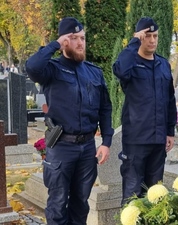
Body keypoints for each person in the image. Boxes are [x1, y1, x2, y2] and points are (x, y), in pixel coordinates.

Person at [25, 17, 114, 225]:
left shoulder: (94, 72)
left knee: (81, 203)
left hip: (87, 148)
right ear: (64, 41)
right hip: (61, 147)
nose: (80, 43)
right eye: (74, 38)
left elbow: (105, 108)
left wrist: (107, 142)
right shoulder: (51, 70)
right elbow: (32, 67)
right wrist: (55, 45)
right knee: (57, 204)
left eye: (82, 38)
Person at [113, 17, 177, 205]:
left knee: (155, 194)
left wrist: (170, 131)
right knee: (132, 195)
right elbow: (120, 70)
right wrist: (133, 42)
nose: (152, 40)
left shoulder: (163, 64)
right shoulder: (130, 63)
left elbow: (170, 99)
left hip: (158, 141)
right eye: (147, 36)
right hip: (136, 141)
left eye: (155, 36)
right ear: (139, 38)